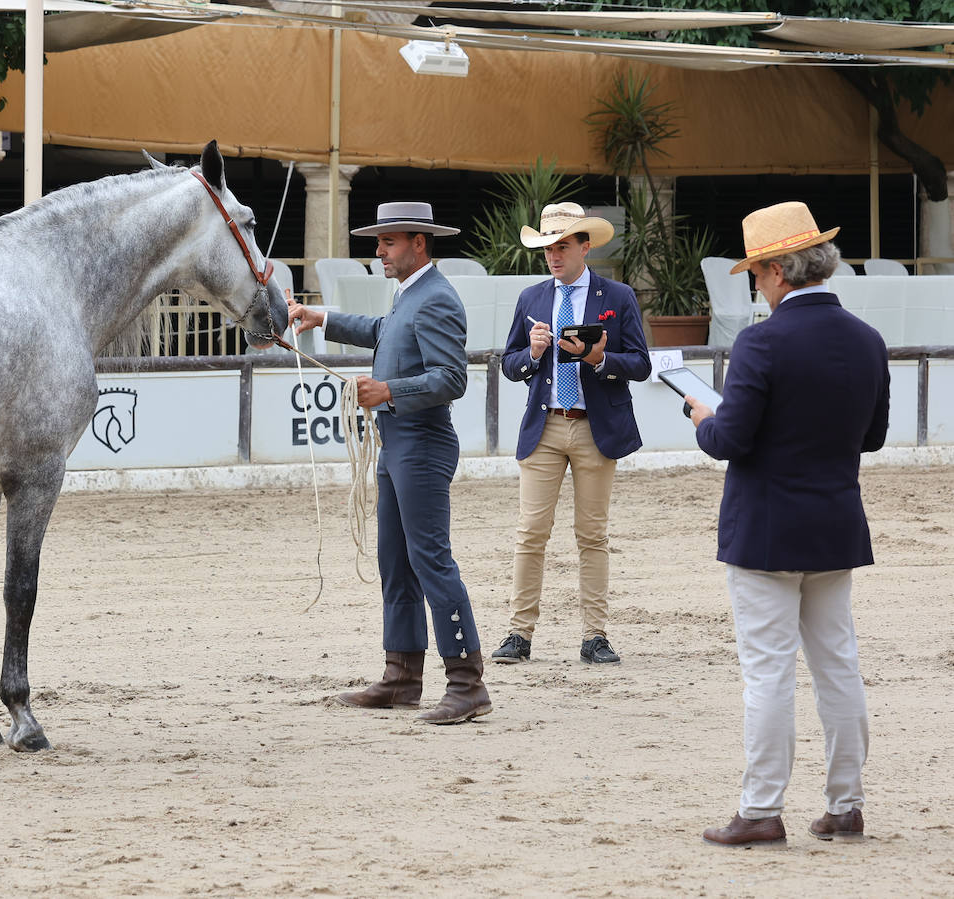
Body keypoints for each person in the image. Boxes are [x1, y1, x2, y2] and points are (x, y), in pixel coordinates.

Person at [689, 201, 889, 847]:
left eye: (756, 272)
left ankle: (761, 807)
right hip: (834, 520)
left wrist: (704, 419)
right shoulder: (866, 338)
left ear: (778, 270)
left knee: (769, 672)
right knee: (838, 665)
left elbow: (730, 440)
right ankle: (846, 803)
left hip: (767, 526)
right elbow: (874, 436)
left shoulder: (762, 341)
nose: (756, 283)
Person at [287, 201, 491, 725]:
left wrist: (388, 390)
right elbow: (382, 330)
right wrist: (323, 317)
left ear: (419, 243)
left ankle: (467, 683)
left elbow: (453, 378)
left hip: (421, 442)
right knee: (396, 561)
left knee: (431, 560)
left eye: (388, 242)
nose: (378, 251)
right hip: (400, 441)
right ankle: (402, 675)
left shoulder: (436, 297)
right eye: (379, 242)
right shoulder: (411, 293)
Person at [492, 203, 650, 666]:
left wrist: (600, 359)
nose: (553, 256)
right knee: (530, 532)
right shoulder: (532, 297)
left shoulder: (617, 296)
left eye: (562, 246)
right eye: (547, 248)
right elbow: (509, 363)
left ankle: (595, 635)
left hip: (594, 427)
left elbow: (640, 363)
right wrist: (531, 353)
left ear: (586, 246)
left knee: (592, 535)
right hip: (545, 426)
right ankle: (519, 633)